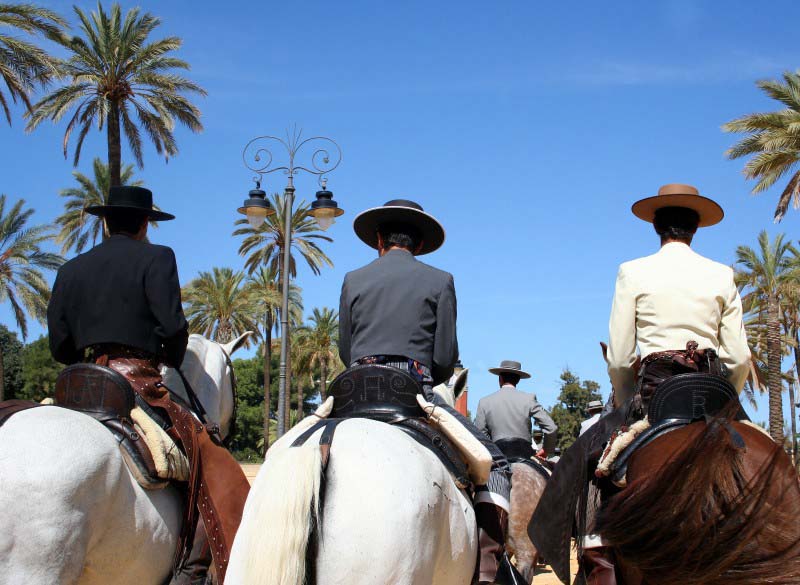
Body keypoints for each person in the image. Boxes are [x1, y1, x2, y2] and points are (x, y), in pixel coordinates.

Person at [47, 186, 249, 585]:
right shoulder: (157, 257)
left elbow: (59, 344)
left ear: (105, 223)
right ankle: (192, 573)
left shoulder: (71, 268)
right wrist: (167, 356)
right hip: (135, 380)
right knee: (215, 463)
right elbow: (173, 327)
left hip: (77, 383)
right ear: (144, 224)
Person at [339, 199, 517, 584]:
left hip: (353, 390)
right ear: (419, 245)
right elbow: (443, 358)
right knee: (498, 464)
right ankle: (487, 574)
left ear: (379, 240)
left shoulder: (353, 278)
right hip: (411, 391)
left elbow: (344, 350)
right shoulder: (440, 280)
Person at [607, 183, 750, 408]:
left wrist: (626, 404)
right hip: (709, 392)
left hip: (654, 394)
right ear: (696, 227)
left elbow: (619, 361)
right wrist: (726, 403)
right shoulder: (722, 274)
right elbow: (740, 359)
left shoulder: (632, 272)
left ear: (655, 225)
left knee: (610, 444)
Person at [475, 360, 557, 461]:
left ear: (500, 378)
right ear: (518, 380)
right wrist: (546, 450)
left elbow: (480, 435)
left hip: (497, 456)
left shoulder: (484, 402)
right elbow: (551, 428)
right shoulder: (529, 399)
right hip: (526, 454)